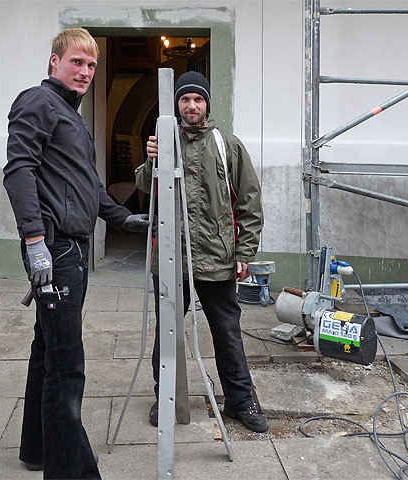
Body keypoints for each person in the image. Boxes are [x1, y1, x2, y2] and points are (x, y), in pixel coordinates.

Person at [3, 28, 149, 479]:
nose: (85, 72)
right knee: (67, 365)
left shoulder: (71, 118)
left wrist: (126, 220)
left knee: (46, 351)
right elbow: (18, 172)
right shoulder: (38, 103)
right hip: (55, 248)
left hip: (69, 249)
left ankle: (38, 450)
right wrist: (34, 242)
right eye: (76, 63)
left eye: (91, 65)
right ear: (54, 62)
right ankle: (72, 471)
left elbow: (88, 188)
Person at [134, 71, 268, 433]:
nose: (191, 106)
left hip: (217, 257)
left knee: (227, 332)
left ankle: (240, 401)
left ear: (207, 104)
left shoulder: (228, 145)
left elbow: (250, 202)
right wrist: (151, 162)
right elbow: (144, 187)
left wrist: (245, 251)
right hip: (171, 255)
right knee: (168, 332)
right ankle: (167, 397)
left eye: (198, 99)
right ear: (177, 105)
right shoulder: (164, 140)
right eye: (185, 99)